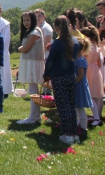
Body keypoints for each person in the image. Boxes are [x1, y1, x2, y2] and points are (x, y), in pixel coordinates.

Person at [44, 15, 79, 145]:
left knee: (63, 106)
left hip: (59, 76)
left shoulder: (57, 43)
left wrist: (46, 74)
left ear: (57, 27)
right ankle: (74, 132)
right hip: (71, 75)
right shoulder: (74, 42)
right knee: (70, 105)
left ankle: (67, 134)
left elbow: (50, 61)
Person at [16, 12, 45, 124]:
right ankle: (36, 115)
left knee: (33, 90)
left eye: (28, 20)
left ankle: (32, 117)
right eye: (24, 20)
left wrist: (20, 48)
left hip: (33, 62)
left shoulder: (35, 32)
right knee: (33, 90)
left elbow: (26, 48)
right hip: (30, 61)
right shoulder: (30, 32)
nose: (26, 23)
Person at [80, 26, 104, 127]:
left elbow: (84, 57)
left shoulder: (88, 46)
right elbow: (99, 62)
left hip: (88, 69)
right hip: (95, 70)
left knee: (89, 95)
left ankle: (96, 117)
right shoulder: (96, 46)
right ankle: (97, 115)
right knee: (96, 95)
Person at [74, 39, 93, 138]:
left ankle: (84, 128)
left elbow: (80, 74)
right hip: (77, 85)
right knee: (76, 106)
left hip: (79, 86)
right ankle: (78, 124)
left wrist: (73, 82)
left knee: (80, 108)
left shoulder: (81, 60)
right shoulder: (76, 59)